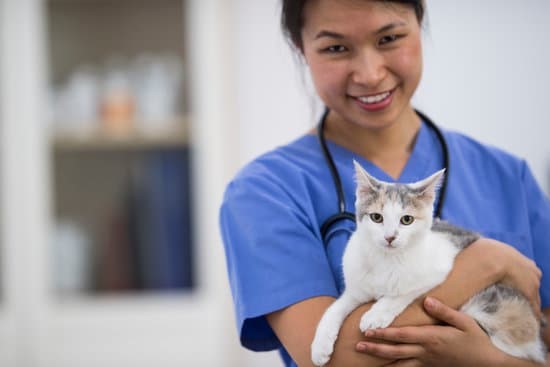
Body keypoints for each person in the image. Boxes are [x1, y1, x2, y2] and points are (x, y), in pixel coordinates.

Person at [219, 1, 550, 366]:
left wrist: (495, 362)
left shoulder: (506, 175)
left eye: (389, 38)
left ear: (420, 25)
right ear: (301, 48)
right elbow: (336, 359)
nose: (370, 74)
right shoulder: (266, 193)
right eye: (336, 48)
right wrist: (488, 262)